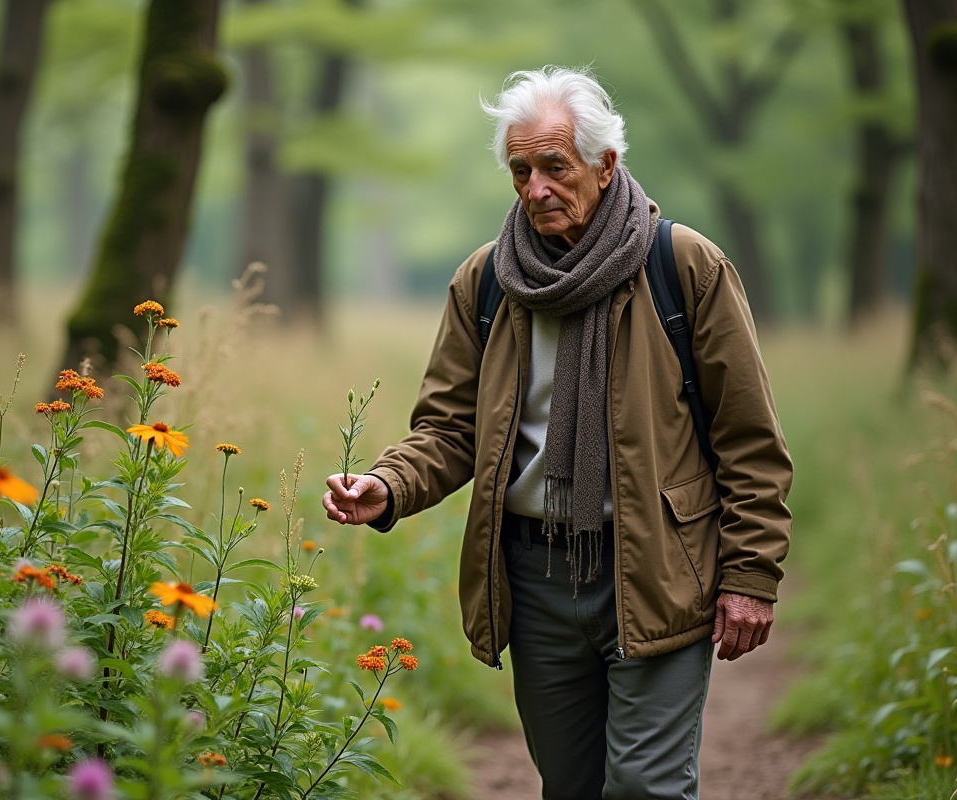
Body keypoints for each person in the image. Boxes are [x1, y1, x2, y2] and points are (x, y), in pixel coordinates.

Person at [322, 66, 792, 800]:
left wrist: (752, 575)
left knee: (644, 787)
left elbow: (749, 438)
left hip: (659, 565)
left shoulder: (684, 266)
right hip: (535, 577)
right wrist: (388, 485)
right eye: (521, 171)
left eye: (554, 167)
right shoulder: (487, 282)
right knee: (570, 786)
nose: (536, 188)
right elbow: (449, 427)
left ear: (605, 165)